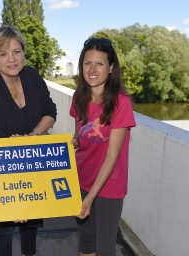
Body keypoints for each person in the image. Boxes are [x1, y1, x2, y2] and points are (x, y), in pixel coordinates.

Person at [0, 25, 57, 256]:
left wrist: (32, 138)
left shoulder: (32, 77)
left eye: (16, 51)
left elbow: (50, 112)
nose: (11, 59)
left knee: (31, 223)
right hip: (5, 171)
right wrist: (13, 198)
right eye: (3, 53)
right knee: (3, 228)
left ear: (23, 52)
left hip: (34, 166)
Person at [69, 38, 136, 256]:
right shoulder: (79, 96)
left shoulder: (120, 103)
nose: (92, 69)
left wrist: (90, 198)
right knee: (86, 243)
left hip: (109, 186)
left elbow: (112, 156)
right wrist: (73, 143)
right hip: (82, 179)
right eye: (87, 63)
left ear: (111, 67)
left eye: (99, 64)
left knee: (105, 248)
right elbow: (79, 136)